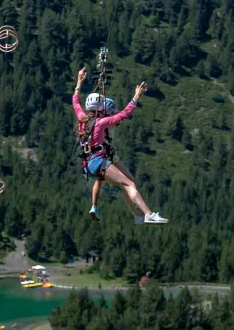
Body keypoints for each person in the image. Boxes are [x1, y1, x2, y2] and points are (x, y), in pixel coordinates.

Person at [72, 67, 168, 224]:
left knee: (128, 183)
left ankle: (138, 216)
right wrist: (136, 97)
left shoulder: (82, 118)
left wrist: (79, 82)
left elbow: (75, 101)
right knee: (129, 184)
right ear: (100, 108)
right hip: (98, 161)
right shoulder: (101, 123)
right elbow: (124, 114)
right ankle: (148, 214)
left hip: (88, 163)